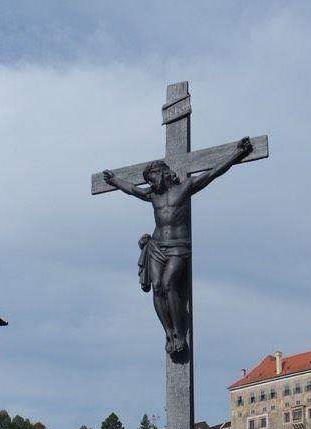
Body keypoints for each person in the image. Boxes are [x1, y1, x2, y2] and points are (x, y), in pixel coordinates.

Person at [104, 136, 253, 354]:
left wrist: (237, 154)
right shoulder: (152, 195)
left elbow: (212, 173)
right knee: (157, 287)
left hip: (178, 245)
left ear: (163, 173)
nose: (149, 183)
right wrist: (115, 180)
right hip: (157, 245)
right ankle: (169, 332)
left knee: (168, 283)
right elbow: (131, 190)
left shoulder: (184, 188)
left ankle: (180, 332)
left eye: (152, 177)